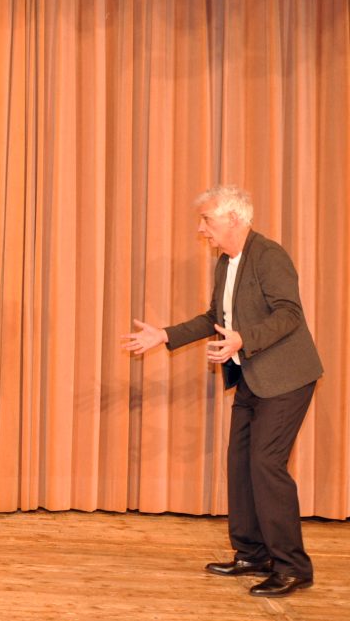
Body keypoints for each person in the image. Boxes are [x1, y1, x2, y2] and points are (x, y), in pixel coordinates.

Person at [122, 185, 322, 598]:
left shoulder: (269, 256)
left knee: (266, 464)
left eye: (206, 220)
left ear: (234, 218)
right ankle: (251, 554)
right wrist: (165, 335)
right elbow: (215, 317)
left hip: (286, 378)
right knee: (240, 464)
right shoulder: (226, 262)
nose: (202, 230)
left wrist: (243, 339)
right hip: (250, 376)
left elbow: (289, 314)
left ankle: (292, 567)